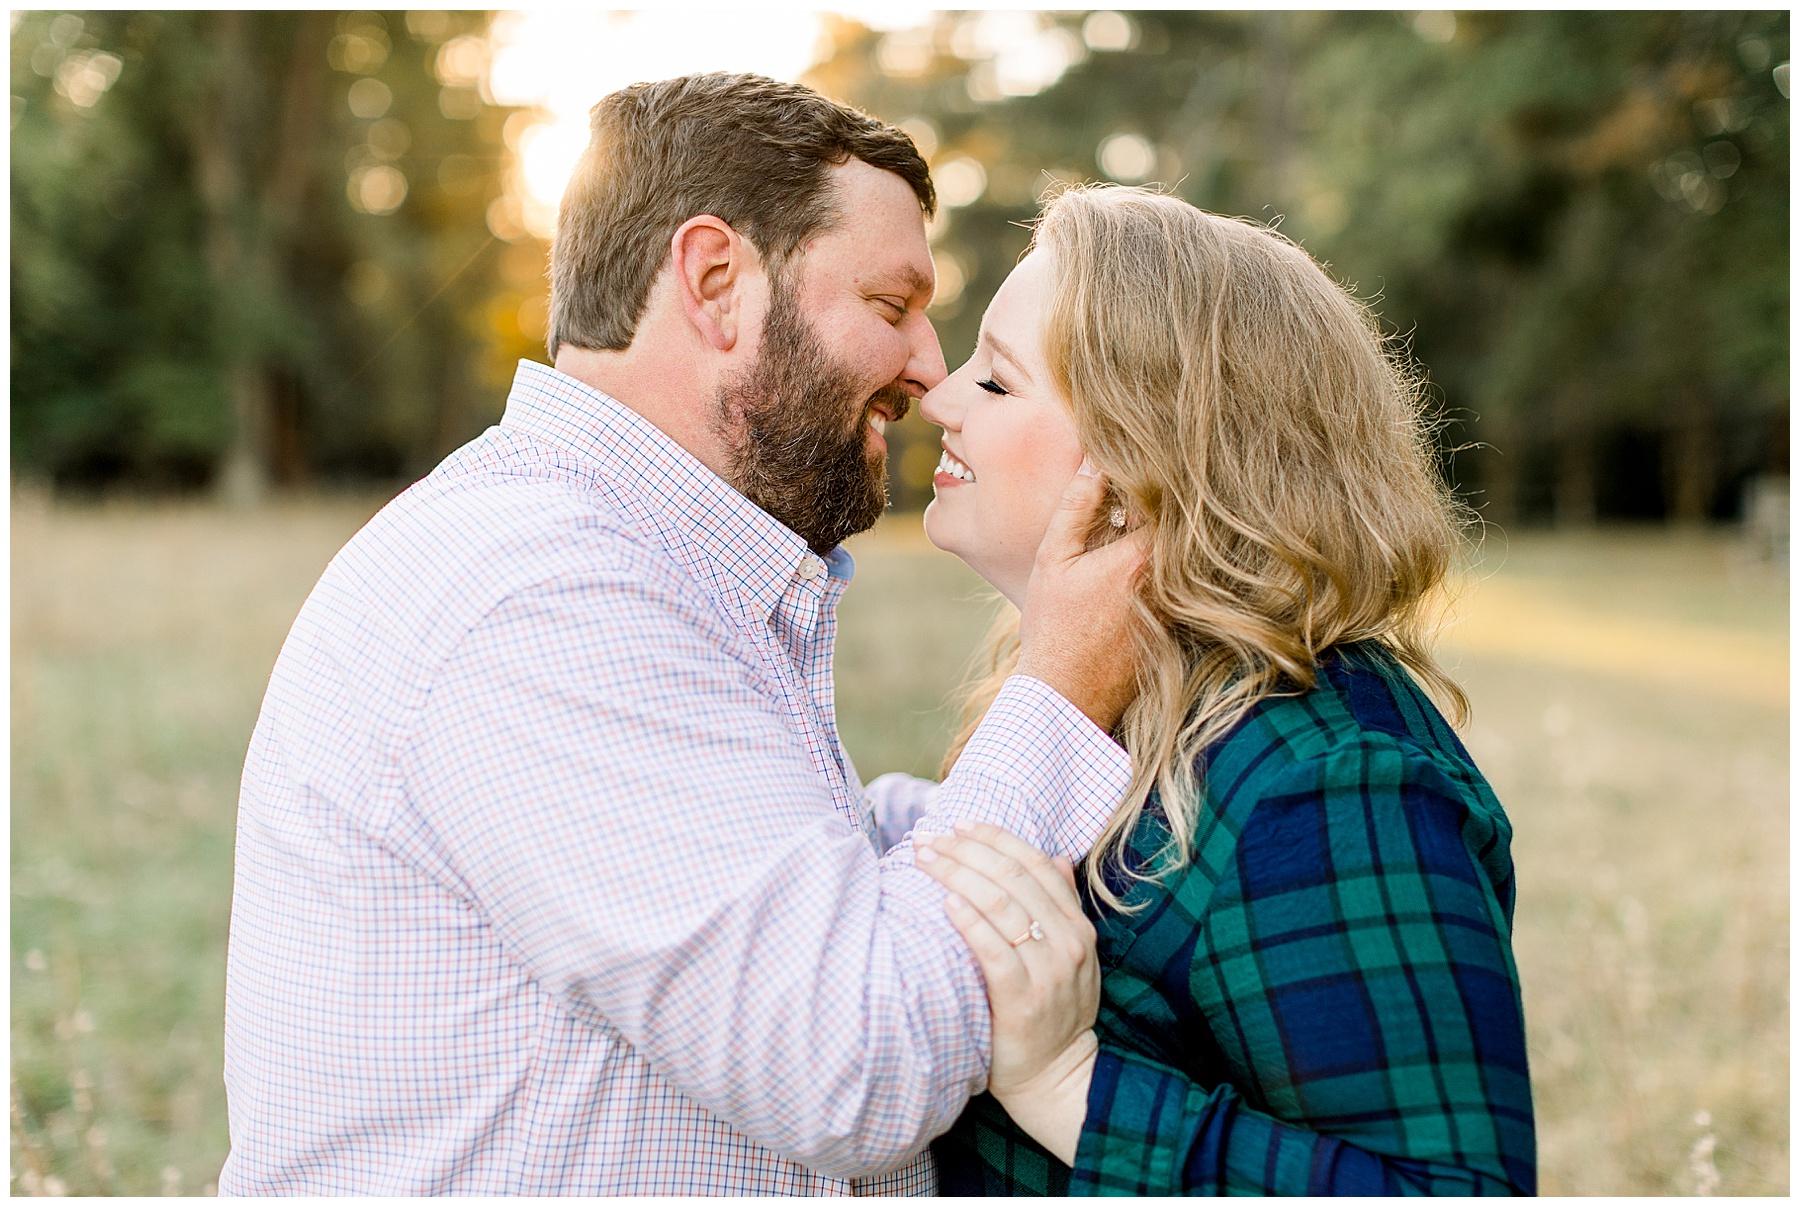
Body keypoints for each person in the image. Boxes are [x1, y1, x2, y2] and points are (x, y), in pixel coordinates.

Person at [218, 74, 1146, 1195]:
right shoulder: (542, 593)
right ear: (717, 283)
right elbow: (860, 1065)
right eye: (893, 304)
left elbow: (785, 892)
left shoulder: (638, 564)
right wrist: (1060, 683)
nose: (929, 369)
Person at [905, 185, 1536, 1194]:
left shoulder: (1327, 777)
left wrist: (1074, 1086)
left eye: (997, 380)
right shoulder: (1108, 696)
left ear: (1141, 453)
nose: (938, 398)